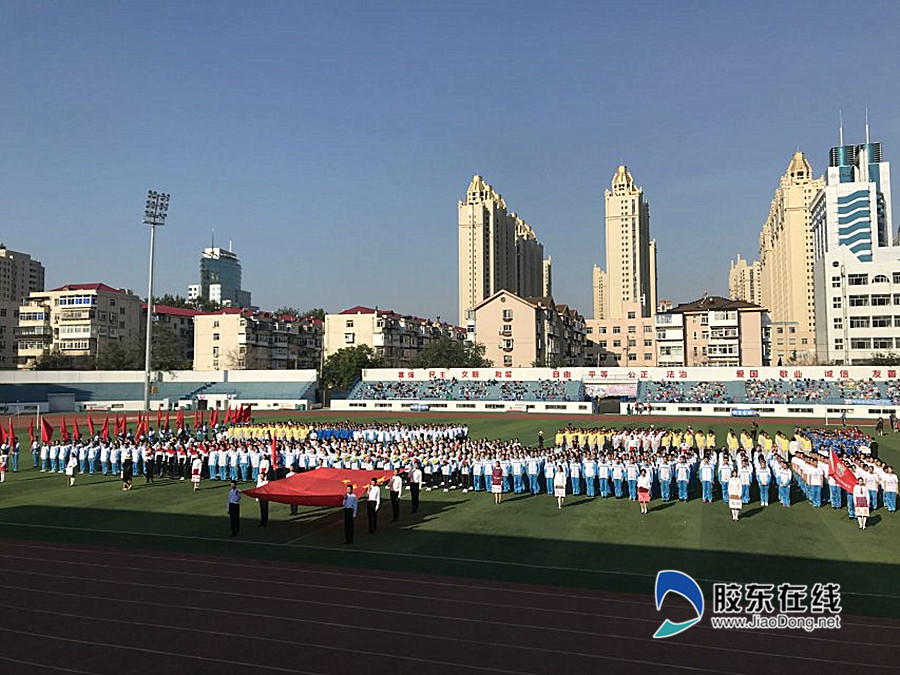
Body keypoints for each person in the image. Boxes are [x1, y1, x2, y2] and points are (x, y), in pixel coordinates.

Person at [256, 460, 269, 527]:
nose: (261, 476)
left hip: (265, 497)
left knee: (265, 509)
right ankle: (262, 521)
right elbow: (257, 489)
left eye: (262, 475)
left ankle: (265, 521)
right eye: (260, 475)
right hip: (260, 497)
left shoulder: (266, 482)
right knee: (261, 510)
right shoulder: (259, 483)